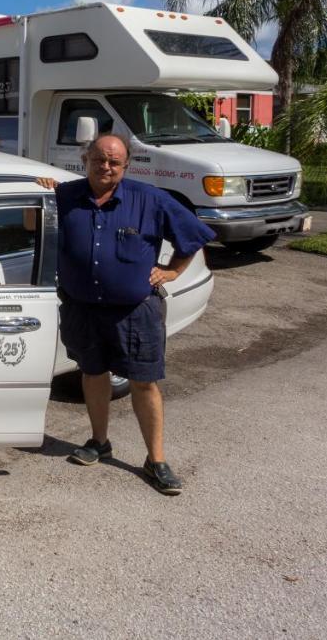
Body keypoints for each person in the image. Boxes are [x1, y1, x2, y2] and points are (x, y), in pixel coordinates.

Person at [38, 134, 214, 495]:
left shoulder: (149, 199)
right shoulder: (64, 196)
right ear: (85, 159)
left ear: (125, 165)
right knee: (92, 373)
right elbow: (31, 227)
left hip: (135, 312)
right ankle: (99, 442)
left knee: (144, 382)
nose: (106, 167)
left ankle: (156, 459)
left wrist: (173, 271)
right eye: (99, 159)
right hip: (83, 309)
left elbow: (193, 236)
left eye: (114, 162)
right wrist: (41, 194)